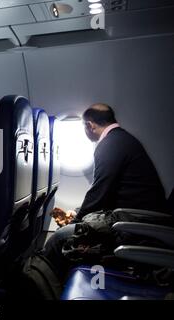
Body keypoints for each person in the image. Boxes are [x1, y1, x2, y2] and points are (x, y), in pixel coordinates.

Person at [42, 103, 168, 279]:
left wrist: (77, 222)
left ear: (90, 125)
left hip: (135, 225)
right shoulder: (121, 140)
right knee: (66, 235)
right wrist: (79, 213)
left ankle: (43, 289)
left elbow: (100, 191)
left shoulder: (110, 144)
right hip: (132, 218)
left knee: (59, 238)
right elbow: (107, 194)